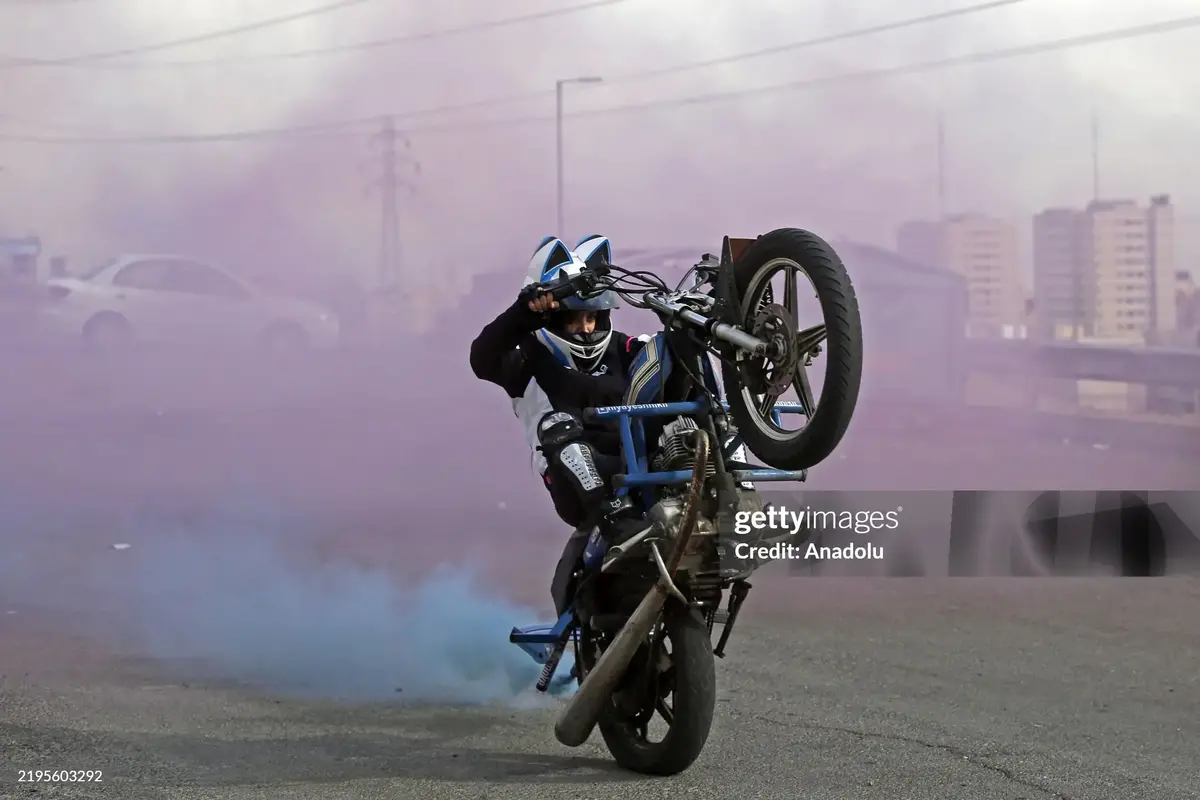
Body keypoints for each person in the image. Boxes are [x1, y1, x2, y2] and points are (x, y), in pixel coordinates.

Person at [469, 234, 652, 615]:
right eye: (572, 319)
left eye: (591, 317)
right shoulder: (524, 359)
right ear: (550, 319)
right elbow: (481, 357)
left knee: (683, 382)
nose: (585, 329)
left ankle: (733, 503)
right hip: (574, 484)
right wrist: (523, 314)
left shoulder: (629, 348)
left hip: (642, 471)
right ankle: (615, 525)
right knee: (559, 426)